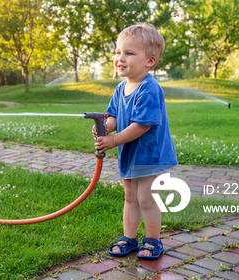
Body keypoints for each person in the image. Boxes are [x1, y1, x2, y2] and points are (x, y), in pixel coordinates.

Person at [93, 22, 178, 259]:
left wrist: (113, 140)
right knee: (130, 196)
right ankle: (129, 238)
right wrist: (106, 127)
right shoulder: (121, 88)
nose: (120, 58)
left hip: (149, 153)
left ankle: (153, 240)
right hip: (131, 154)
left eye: (129, 53)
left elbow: (143, 125)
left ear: (149, 61)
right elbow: (114, 116)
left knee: (146, 197)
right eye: (118, 52)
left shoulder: (149, 88)